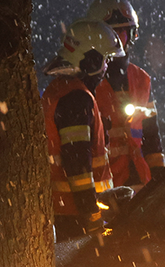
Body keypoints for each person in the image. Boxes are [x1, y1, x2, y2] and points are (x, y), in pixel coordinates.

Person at [43, 19, 121, 241]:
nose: (105, 68)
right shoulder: (77, 98)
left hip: (66, 210)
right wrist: (92, 216)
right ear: (91, 60)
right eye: (105, 60)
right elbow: (77, 164)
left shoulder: (60, 89)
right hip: (79, 214)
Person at [86, 0, 164, 188]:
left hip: (140, 183)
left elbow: (152, 138)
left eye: (123, 32)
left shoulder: (142, 79)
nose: (118, 41)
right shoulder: (87, 82)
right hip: (104, 187)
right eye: (112, 33)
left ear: (132, 34)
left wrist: (161, 182)